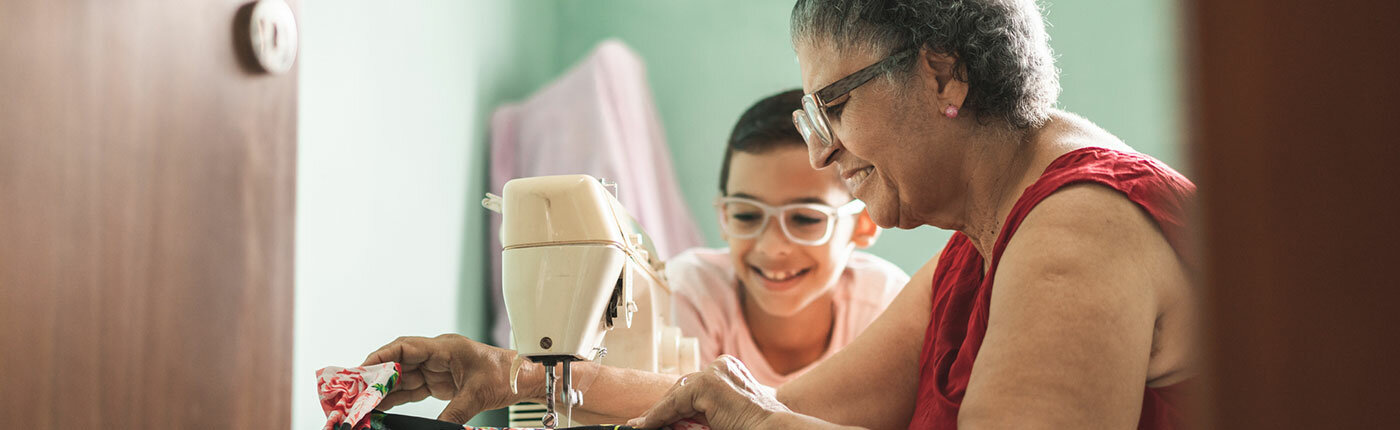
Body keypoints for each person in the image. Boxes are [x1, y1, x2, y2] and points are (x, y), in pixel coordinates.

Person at [625, 0, 1198, 429]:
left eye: (835, 108)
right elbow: (765, 406)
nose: (820, 152)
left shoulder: (1082, 229)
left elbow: (764, 418)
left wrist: (765, 424)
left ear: (944, 74)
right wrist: (543, 377)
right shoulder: (978, 250)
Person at [361, 90, 909, 423]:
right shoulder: (693, 286)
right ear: (720, 215)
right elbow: (686, 407)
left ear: (863, 223)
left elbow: (730, 410)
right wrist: (521, 374)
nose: (772, 247)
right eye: (746, 215)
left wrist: (523, 377)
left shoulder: (887, 305)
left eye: (806, 219)